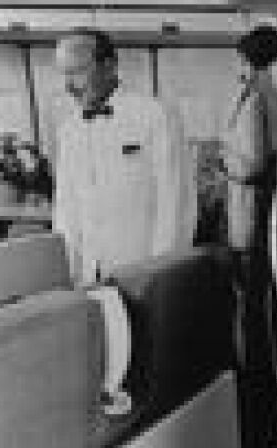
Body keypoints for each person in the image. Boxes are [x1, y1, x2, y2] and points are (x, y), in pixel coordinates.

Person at [53, 28, 196, 285]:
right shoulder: (68, 129)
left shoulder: (156, 116)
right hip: (87, 276)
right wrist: (68, 274)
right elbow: (65, 208)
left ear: (109, 66)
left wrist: (159, 277)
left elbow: (175, 205)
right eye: (64, 74)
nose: (69, 86)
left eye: (77, 72)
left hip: (143, 274)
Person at [220, 23, 277, 448]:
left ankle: (252, 379)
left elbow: (250, 161)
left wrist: (223, 160)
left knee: (250, 313)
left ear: (250, 58)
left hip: (250, 219)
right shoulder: (268, 90)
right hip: (254, 217)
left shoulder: (258, 95)